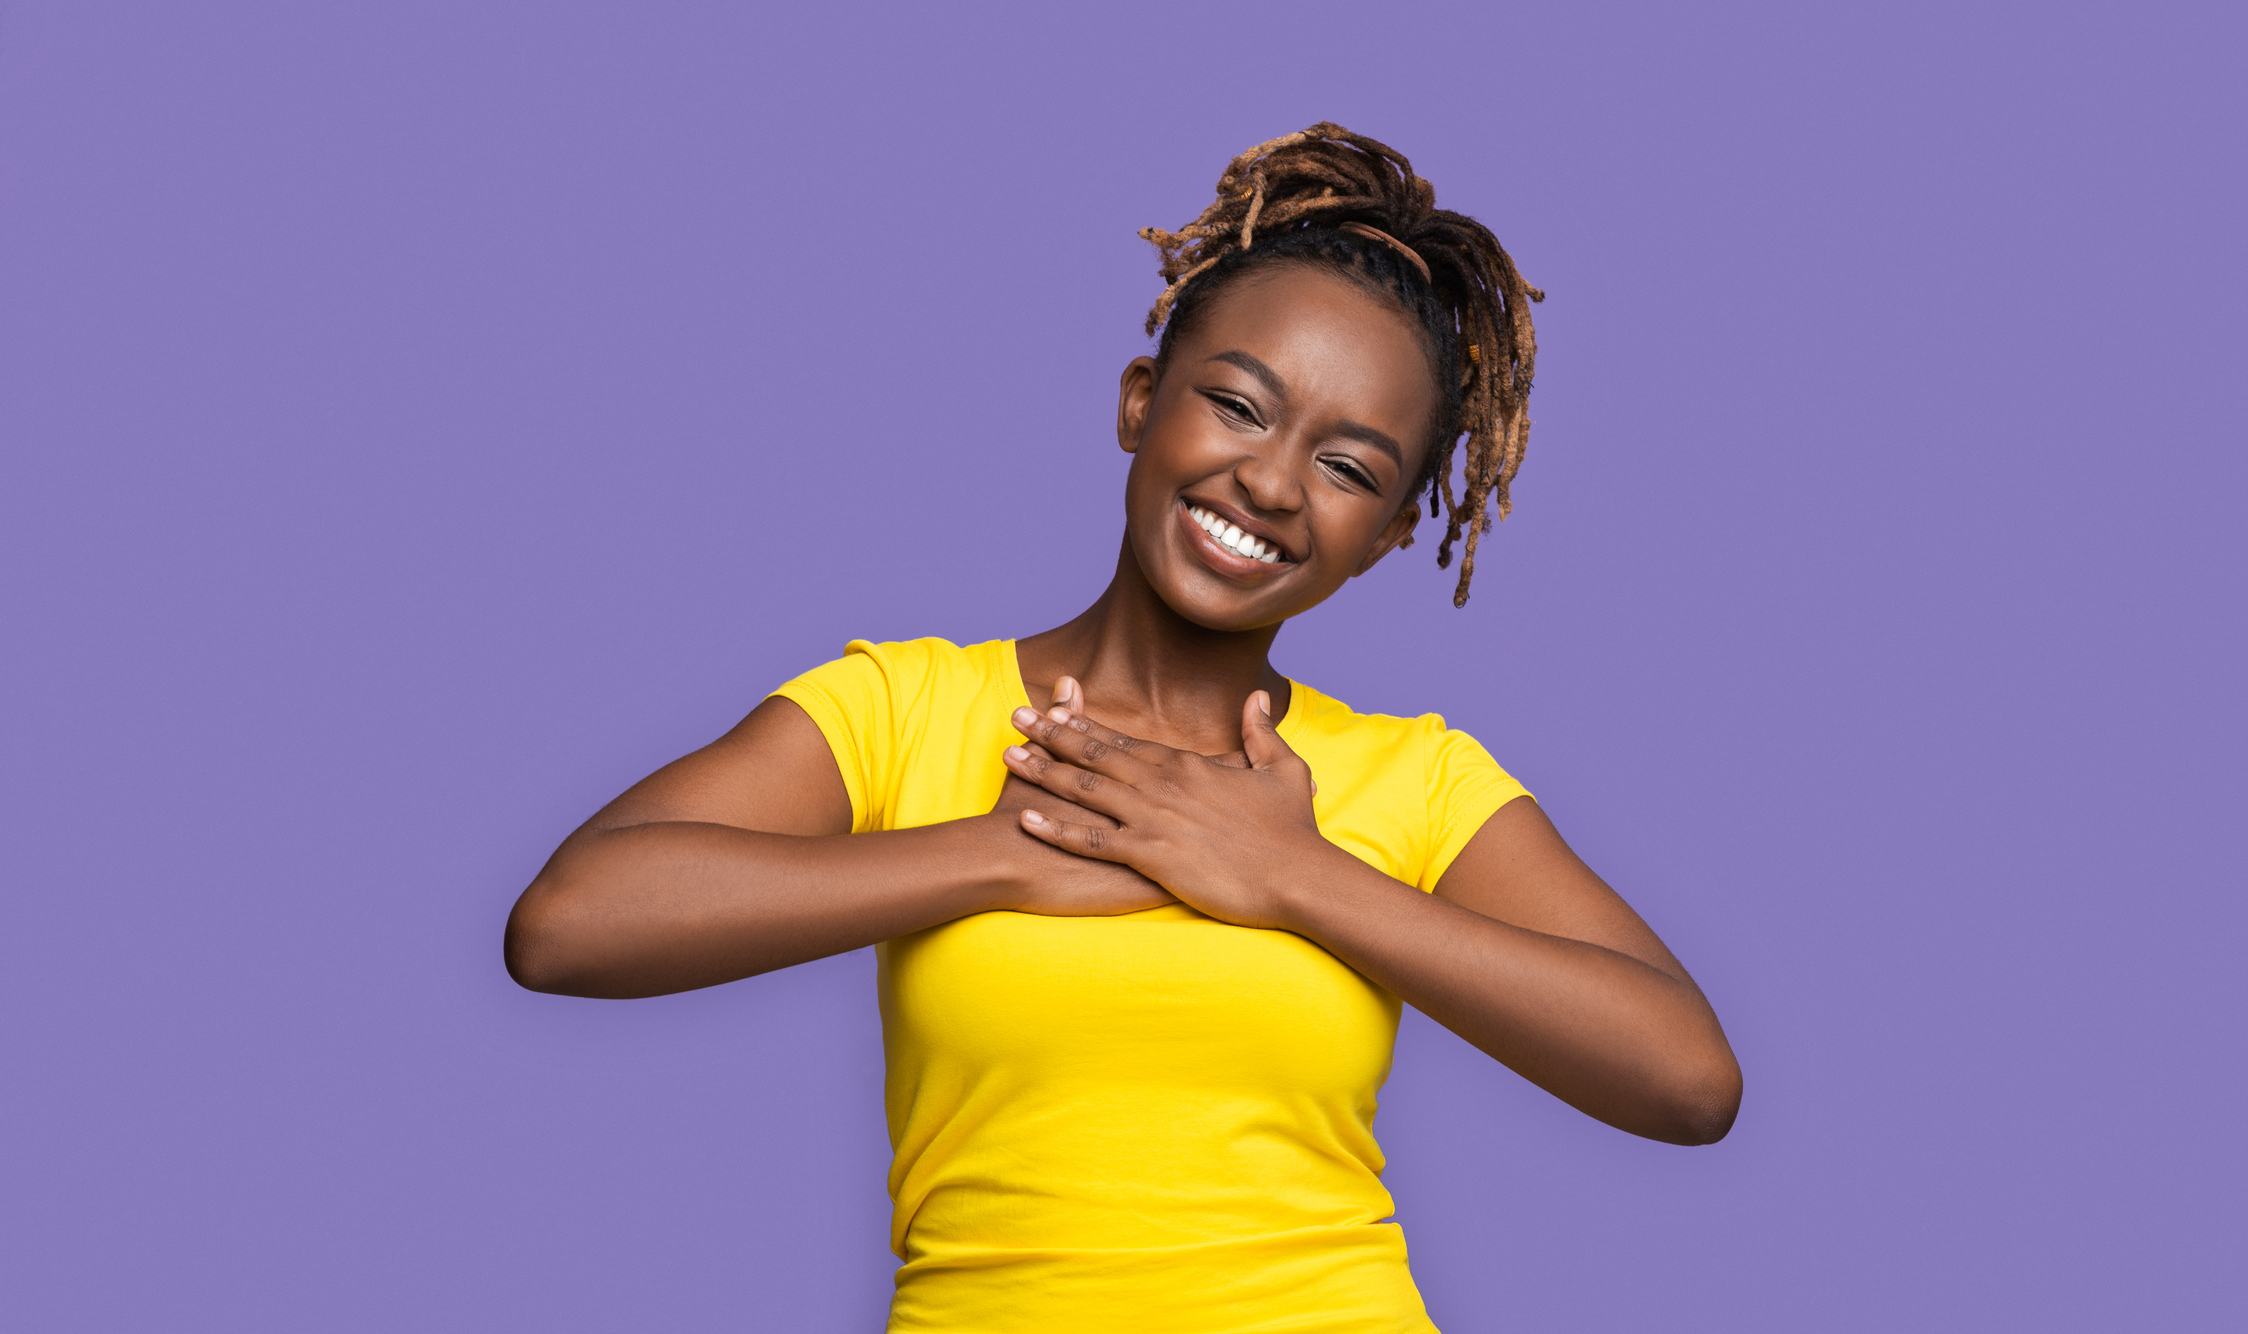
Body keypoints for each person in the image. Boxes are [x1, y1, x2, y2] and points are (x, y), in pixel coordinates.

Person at [504, 123, 1742, 1334]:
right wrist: (1008, 851)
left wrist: (1294, 876)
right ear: (1141, 401)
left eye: (1349, 468)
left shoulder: (1411, 777)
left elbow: (1686, 1078)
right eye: (1240, 406)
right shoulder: (906, 708)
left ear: (1391, 536)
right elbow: (570, 923)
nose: (1269, 482)